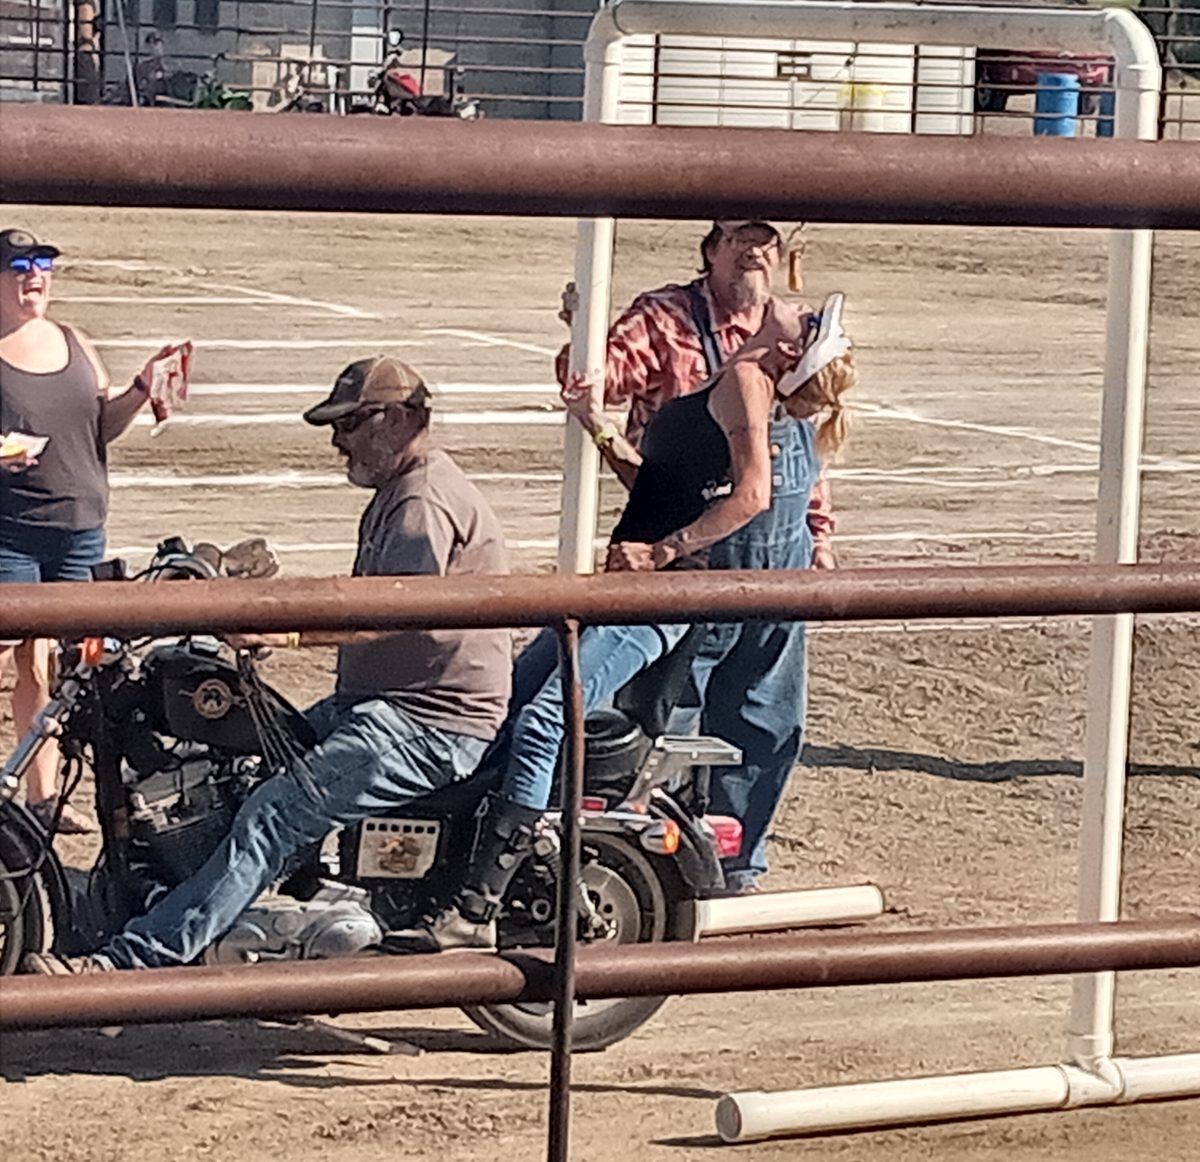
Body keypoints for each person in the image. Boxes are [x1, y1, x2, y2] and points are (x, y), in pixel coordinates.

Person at [23, 356, 513, 974]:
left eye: (349, 424)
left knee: (272, 815)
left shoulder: (424, 501)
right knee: (242, 770)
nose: (337, 441)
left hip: (428, 722)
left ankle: (134, 965)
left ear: (391, 420)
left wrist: (282, 632)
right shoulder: (404, 489)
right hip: (378, 705)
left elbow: (393, 609)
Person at [402, 296, 856, 951]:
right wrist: (596, 418)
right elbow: (662, 487)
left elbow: (753, 495)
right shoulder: (734, 378)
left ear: (791, 350)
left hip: (667, 596)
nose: (799, 301)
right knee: (508, 702)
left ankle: (479, 903)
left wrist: (664, 549)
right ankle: (441, 860)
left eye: (809, 319)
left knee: (544, 718)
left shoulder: (750, 385)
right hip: (649, 587)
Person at [0, 228, 190, 834]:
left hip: (80, 528)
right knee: (14, 654)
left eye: (44, 265)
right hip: (11, 530)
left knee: (64, 666)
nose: (36, 276)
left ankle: (42, 796)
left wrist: (141, 390)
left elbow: (98, 426)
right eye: (21, 266)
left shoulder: (73, 340)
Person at [557, 217, 837, 568]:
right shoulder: (666, 316)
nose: (753, 252)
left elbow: (809, 453)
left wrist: (819, 539)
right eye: (739, 240)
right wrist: (584, 336)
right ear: (711, 250)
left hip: (773, 550)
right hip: (682, 529)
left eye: (764, 242)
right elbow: (604, 380)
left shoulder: (793, 336)